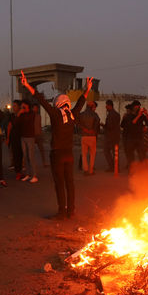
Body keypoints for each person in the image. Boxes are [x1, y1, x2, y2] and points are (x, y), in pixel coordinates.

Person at [20, 71, 92, 219]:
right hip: (69, 154)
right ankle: (71, 211)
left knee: (59, 183)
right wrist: (87, 89)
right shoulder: (73, 114)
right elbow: (80, 102)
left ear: (57, 103)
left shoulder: (55, 113)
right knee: (69, 183)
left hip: (57, 154)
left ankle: (61, 212)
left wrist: (27, 84)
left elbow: (41, 100)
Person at [18, 99, 39, 183]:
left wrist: (23, 112)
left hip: (30, 137)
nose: (22, 107)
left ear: (27, 105)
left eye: (24, 105)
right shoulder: (22, 114)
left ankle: (34, 175)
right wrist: (19, 113)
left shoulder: (32, 114)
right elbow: (17, 123)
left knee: (31, 156)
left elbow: (29, 120)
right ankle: (27, 174)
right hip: (23, 137)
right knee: (25, 156)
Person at [78, 100, 100, 175]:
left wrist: (84, 129)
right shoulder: (95, 115)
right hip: (92, 136)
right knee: (92, 154)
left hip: (84, 136)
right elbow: (97, 123)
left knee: (84, 154)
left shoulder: (82, 114)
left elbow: (77, 123)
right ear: (92, 107)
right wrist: (93, 130)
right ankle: (91, 170)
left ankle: (85, 169)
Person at [101, 100, 120, 172]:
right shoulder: (117, 114)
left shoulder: (111, 115)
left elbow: (110, 126)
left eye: (106, 105)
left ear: (109, 106)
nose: (106, 107)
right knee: (115, 152)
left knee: (106, 151)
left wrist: (103, 126)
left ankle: (112, 166)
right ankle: (116, 167)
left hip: (110, 136)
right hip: (116, 136)